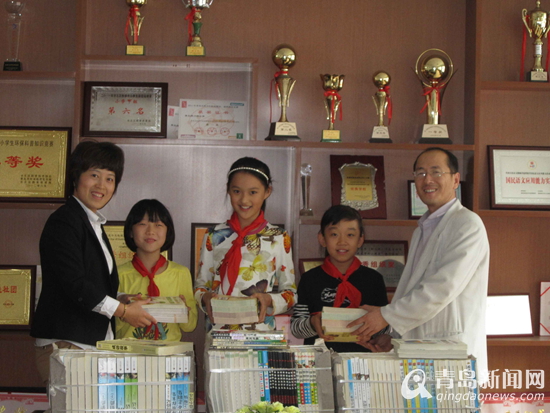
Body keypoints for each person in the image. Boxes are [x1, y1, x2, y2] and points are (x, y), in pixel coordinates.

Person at [349, 147, 490, 377]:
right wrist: (393, 337)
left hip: (451, 351)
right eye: (421, 173)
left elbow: (442, 288)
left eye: (436, 172)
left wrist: (386, 316)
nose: (428, 180)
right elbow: (412, 289)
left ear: (455, 180)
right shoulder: (423, 228)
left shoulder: (467, 224)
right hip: (421, 350)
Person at [30, 141, 156, 385]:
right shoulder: (64, 221)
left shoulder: (91, 223)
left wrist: (120, 298)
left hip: (85, 344)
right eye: (94, 175)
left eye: (110, 179)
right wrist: (123, 312)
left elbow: (88, 283)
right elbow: (75, 284)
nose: (102, 185)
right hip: (66, 345)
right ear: (76, 176)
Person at [194, 156, 296, 331]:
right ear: (228, 190)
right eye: (237, 191)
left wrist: (269, 300)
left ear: (267, 192)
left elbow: (291, 294)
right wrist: (205, 298)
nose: (244, 200)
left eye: (253, 192)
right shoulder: (214, 235)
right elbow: (200, 287)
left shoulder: (278, 237)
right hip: (219, 332)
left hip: (260, 334)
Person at [290, 205, 388, 352]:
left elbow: (384, 325)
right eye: (334, 234)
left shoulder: (374, 279)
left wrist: (379, 333)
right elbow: (296, 328)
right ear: (322, 238)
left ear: (360, 239)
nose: (342, 241)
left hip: (362, 359)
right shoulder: (309, 279)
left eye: (350, 235)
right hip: (319, 358)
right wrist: (312, 323)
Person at [116, 199, 198, 340]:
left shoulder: (180, 273)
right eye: (142, 224)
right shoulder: (118, 274)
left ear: (167, 232)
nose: (150, 231)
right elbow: (109, 325)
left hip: (169, 352)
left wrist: (184, 310)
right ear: (130, 231)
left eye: (158, 225)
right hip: (129, 351)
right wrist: (124, 311)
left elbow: (190, 326)